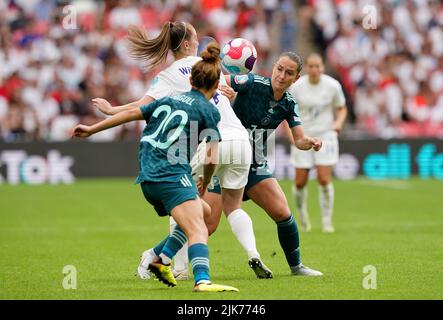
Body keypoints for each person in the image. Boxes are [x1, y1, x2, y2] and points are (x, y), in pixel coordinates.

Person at [93, 22, 272, 280]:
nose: (199, 42)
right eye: (196, 38)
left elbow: (142, 107)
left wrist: (113, 110)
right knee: (211, 210)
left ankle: (168, 262)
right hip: (237, 140)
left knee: (190, 205)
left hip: (208, 143)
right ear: (187, 44)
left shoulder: (177, 73)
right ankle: (173, 262)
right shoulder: (207, 66)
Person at [71, 43, 238, 293]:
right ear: (216, 87)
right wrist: (204, 179)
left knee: (202, 210)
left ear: (190, 79)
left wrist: (93, 129)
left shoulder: (168, 99)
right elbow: (212, 157)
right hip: (170, 175)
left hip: (148, 176)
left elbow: (132, 114)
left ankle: (160, 259)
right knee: (198, 228)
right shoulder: (209, 110)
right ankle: (202, 280)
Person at [205, 52, 324, 276]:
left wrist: (307, 142)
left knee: (283, 213)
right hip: (226, 158)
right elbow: (217, 79)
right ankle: (162, 258)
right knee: (208, 224)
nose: (281, 75)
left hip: (254, 164)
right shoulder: (252, 82)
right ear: (273, 68)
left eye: (289, 73)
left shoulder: (289, 103)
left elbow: (298, 139)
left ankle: (296, 267)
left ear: (296, 79)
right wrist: (223, 92)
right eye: (279, 69)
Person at [287, 53, 347, 232]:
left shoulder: (332, 85)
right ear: (306, 68)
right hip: (303, 135)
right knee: (300, 182)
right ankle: (302, 214)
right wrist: (292, 135)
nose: (314, 69)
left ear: (322, 67)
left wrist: (338, 123)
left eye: (317, 66)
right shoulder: (296, 87)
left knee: (323, 178)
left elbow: (341, 108)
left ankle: (327, 221)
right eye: (311, 66)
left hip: (325, 135)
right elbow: (287, 112)